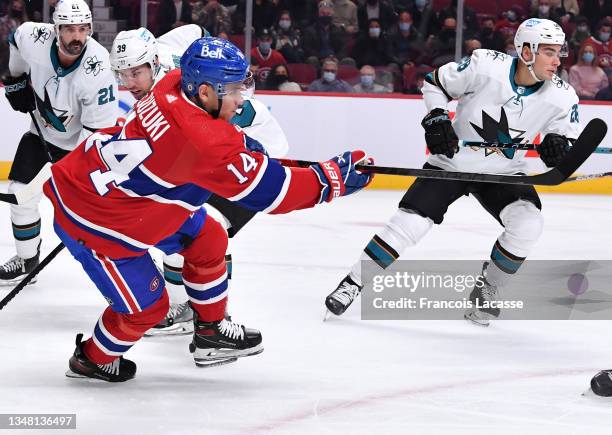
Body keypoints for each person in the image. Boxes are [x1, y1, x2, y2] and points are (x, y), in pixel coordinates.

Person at [46, 37, 373, 382]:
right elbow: (275, 193)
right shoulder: (202, 141)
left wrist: (244, 148)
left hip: (122, 194)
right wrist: (331, 179)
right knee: (147, 310)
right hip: (97, 222)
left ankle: (210, 331)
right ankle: (93, 360)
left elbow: (215, 145)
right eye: (232, 90)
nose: (239, 98)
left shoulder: (171, 84)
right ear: (204, 92)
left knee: (208, 236)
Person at [324, 18, 582, 327]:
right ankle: (352, 283)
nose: (558, 60)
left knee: (528, 224)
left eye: (559, 52)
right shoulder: (485, 65)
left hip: (505, 172)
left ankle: (488, 290)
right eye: (549, 52)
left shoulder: (563, 97)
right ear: (526, 50)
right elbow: (434, 83)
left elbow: (564, 141)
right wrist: (436, 118)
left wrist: (558, 146)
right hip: (453, 163)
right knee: (410, 224)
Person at [110, 26, 291, 336]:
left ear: (153, 62)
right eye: (121, 74)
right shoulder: (163, 52)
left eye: (135, 73)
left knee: (207, 228)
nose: (128, 83)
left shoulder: (183, 96)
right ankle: (189, 308)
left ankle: (216, 315)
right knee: (182, 227)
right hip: (218, 149)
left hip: (259, 150)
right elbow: (197, 31)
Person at [0, 0, 117, 286]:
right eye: (69, 30)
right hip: (42, 133)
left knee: (99, 219)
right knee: (20, 192)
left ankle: (126, 268)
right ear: (56, 29)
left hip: (82, 146)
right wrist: (16, 79)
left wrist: (67, 175)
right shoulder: (34, 37)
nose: (77, 36)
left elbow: (96, 139)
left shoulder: (98, 71)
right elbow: (15, 39)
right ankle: (27, 260)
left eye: (83, 29)